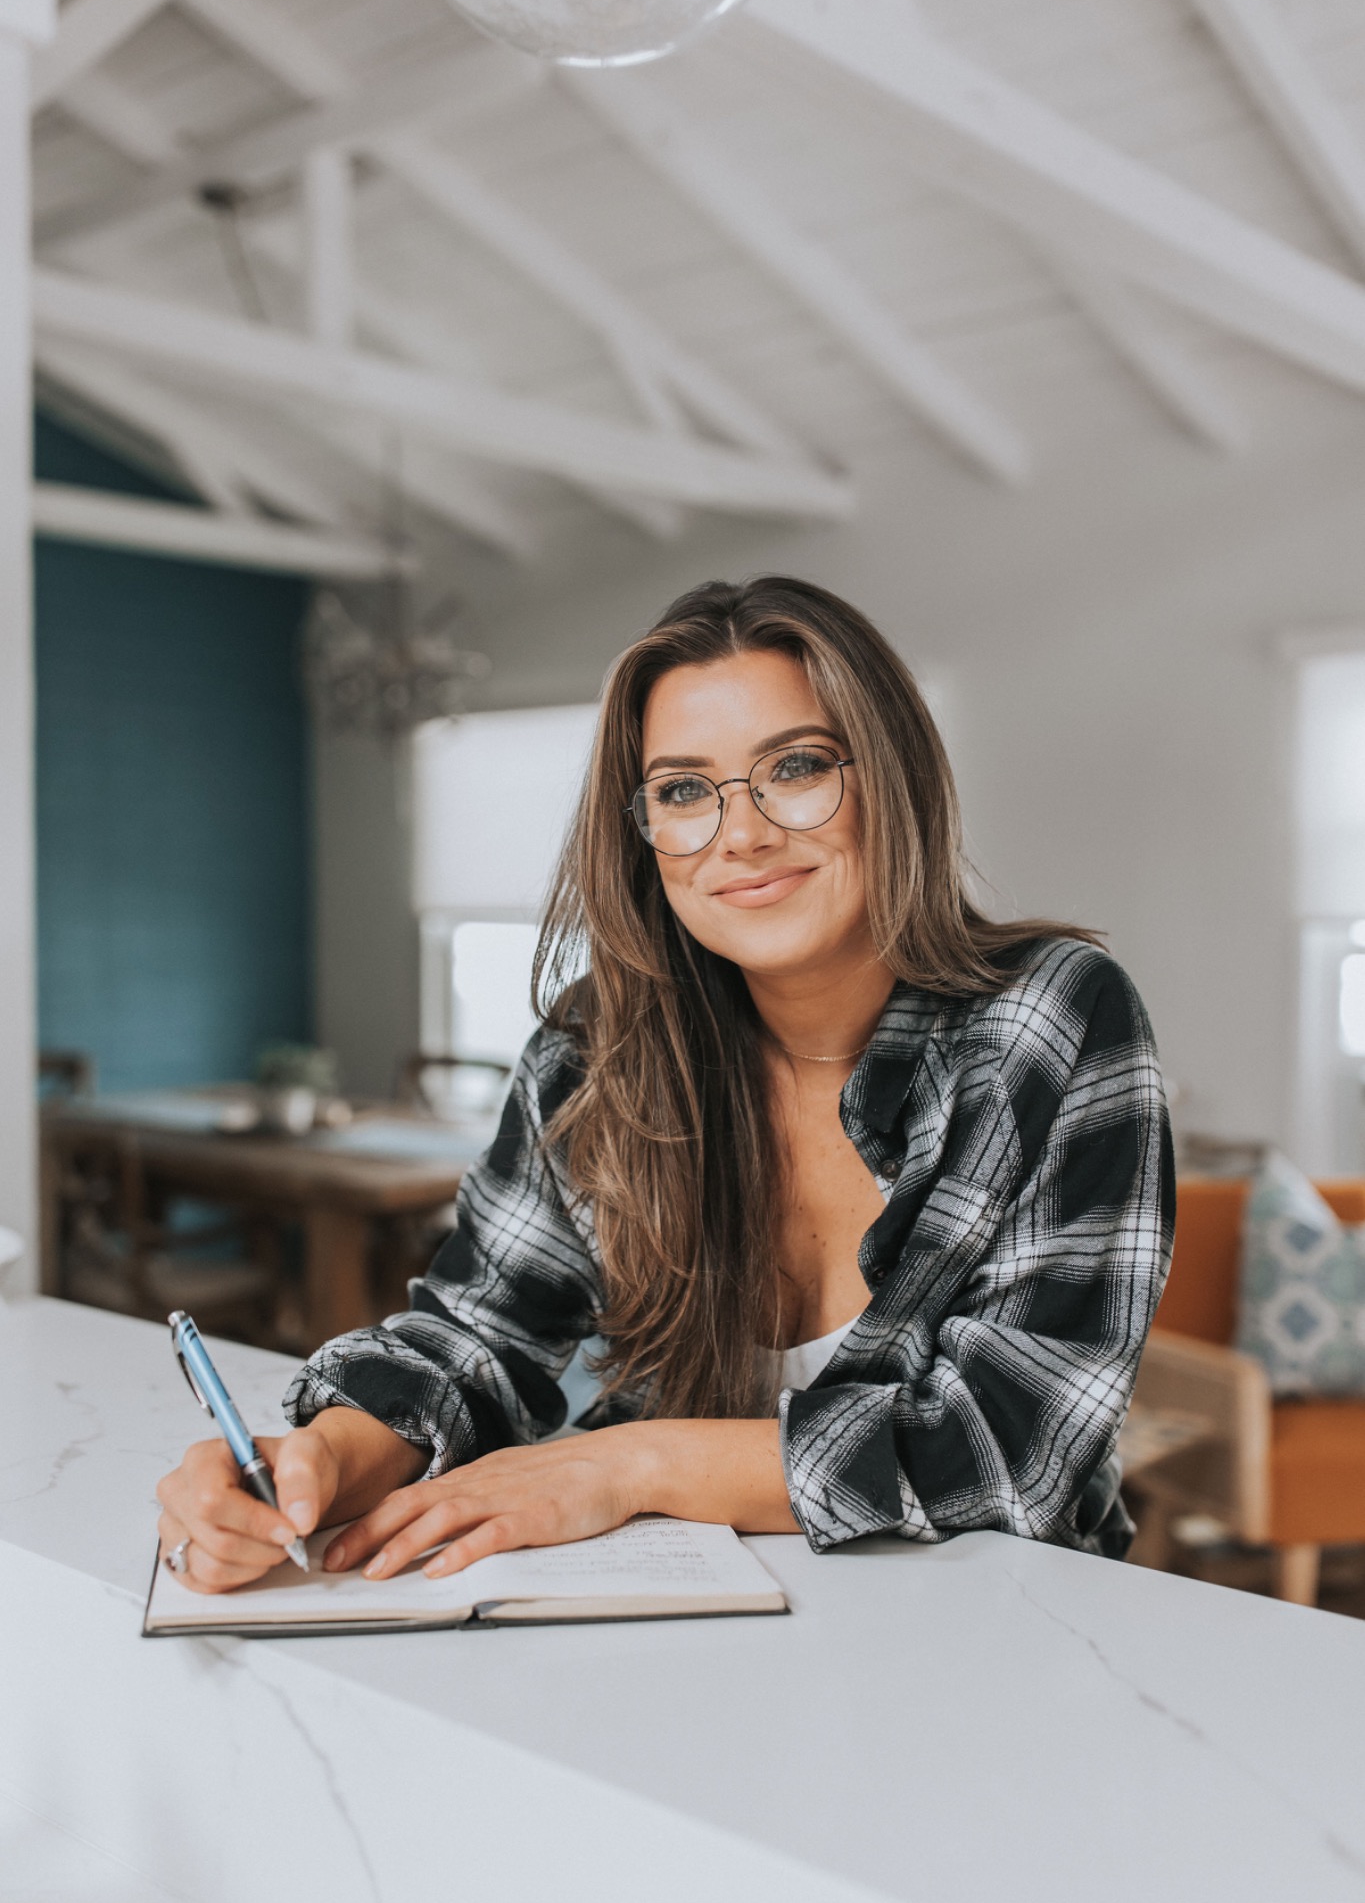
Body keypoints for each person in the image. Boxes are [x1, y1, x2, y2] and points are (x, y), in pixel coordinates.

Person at [157, 576, 1173, 1593]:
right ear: (642, 829)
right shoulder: (596, 1049)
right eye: (685, 790)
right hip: (690, 1647)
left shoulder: (1051, 1020)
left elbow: (1015, 1443)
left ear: (893, 778)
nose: (742, 834)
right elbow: (474, 1333)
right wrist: (322, 1460)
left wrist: (628, 1461)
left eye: (798, 765)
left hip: (1002, 1650)